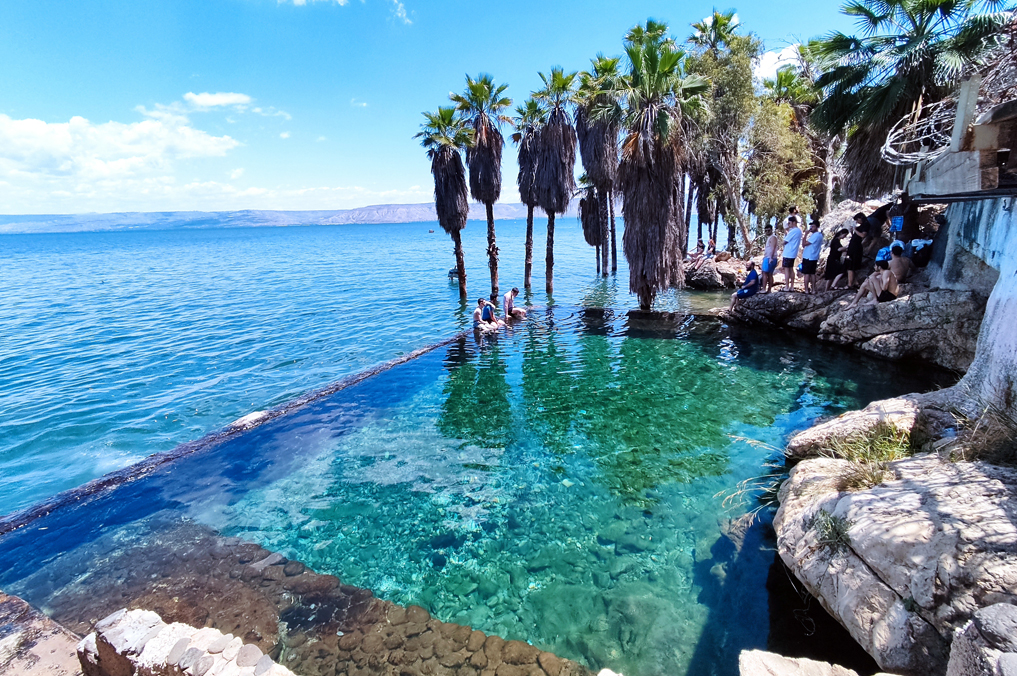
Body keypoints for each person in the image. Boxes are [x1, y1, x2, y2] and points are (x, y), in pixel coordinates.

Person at [801, 218, 824, 294]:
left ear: (817, 227)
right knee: (812, 273)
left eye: (813, 226)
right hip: (814, 257)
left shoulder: (816, 235)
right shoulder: (820, 235)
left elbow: (804, 244)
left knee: (807, 274)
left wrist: (805, 235)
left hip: (808, 256)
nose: (811, 228)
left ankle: (807, 290)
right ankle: (813, 289)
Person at [780, 215, 802, 291]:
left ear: (793, 222)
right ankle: (791, 286)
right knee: (791, 269)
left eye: (789, 223)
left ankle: (787, 286)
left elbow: (785, 241)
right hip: (793, 253)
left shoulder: (793, 231)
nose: (788, 225)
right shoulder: (799, 231)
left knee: (786, 269)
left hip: (788, 252)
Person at [845, 217, 867, 288]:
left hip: (855, 249)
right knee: (850, 266)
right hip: (852, 248)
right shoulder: (859, 227)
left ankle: (850, 284)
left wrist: (855, 230)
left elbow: (863, 235)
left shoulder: (865, 226)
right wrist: (852, 232)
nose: (857, 221)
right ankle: (855, 282)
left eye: (857, 219)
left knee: (851, 267)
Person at [761, 224, 778, 293]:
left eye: (769, 230)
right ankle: (768, 290)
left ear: (771, 230)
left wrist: (770, 257)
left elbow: (773, 248)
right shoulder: (770, 238)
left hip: (769, 258)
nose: (767, 232)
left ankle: (764, 289)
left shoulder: (773, 237)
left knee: (765, 273)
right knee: (769, 274)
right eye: (766, 231)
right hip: (769, 257)